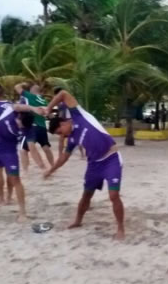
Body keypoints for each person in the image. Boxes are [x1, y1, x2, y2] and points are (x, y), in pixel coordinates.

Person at [44, 90, 125, 240]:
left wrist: (48, 108)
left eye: (60, 131)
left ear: (63, 122)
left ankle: (120, 229)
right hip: (94, 164)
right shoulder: (72, 139)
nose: (62, 135)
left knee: (113, 195)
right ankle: (78, 220)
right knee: (86, 195)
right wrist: (51, 170)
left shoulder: (79, 115)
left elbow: (63, 94)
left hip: (111, 159)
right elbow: (64, 158)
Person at [0, 103, 41, 222]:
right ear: (18, 115)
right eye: (19, 122)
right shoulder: (9, 112)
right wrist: (34, 108)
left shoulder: (28, 127)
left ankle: (22, 213)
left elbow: (32, 146)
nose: (19, 126)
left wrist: (40, 164)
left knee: (15, 180)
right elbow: (17, 106)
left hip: (9, 152)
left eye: (22, 126)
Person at [14, 83, 53, 169]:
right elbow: (50, 115)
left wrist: (24, 83)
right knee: (46, 147)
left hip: (32, 127)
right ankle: (53, 166)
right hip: (42, 127)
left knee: (23, 150)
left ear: (31, 91)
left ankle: (26, 171)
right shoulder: (44, 101)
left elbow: (17, 87)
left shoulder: (30, 96)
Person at [53, 87, 85, 161]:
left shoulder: (61, 103)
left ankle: (60, 155)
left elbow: (61, 115)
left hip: (67, 122)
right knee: (77, 138)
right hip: (72, 121)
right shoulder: (69, 100)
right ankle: (82, 155)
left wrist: (60, 123)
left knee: (62, 139)